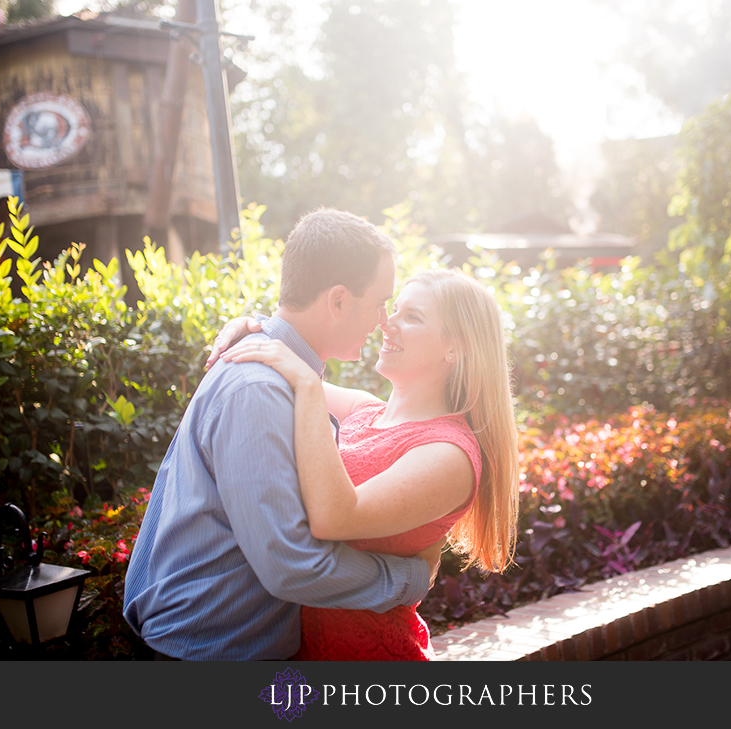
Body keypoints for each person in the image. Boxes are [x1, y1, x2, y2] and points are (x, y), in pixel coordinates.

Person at [122, 208, 443, 661]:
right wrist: (411, 578)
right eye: (379, 303)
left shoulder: (282, 374)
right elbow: (291, 567)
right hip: (212, 653)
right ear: (337, 301)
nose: (383, 320)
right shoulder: (259, 389)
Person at [208, 267, 520, 660]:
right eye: (393, 310)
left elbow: (334, 518)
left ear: (455, 349)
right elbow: (272, 359)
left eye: (413, 317)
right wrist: (250, 326)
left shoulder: (449, 454)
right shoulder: (362, 410)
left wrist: (306, 385)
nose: (386, 324)